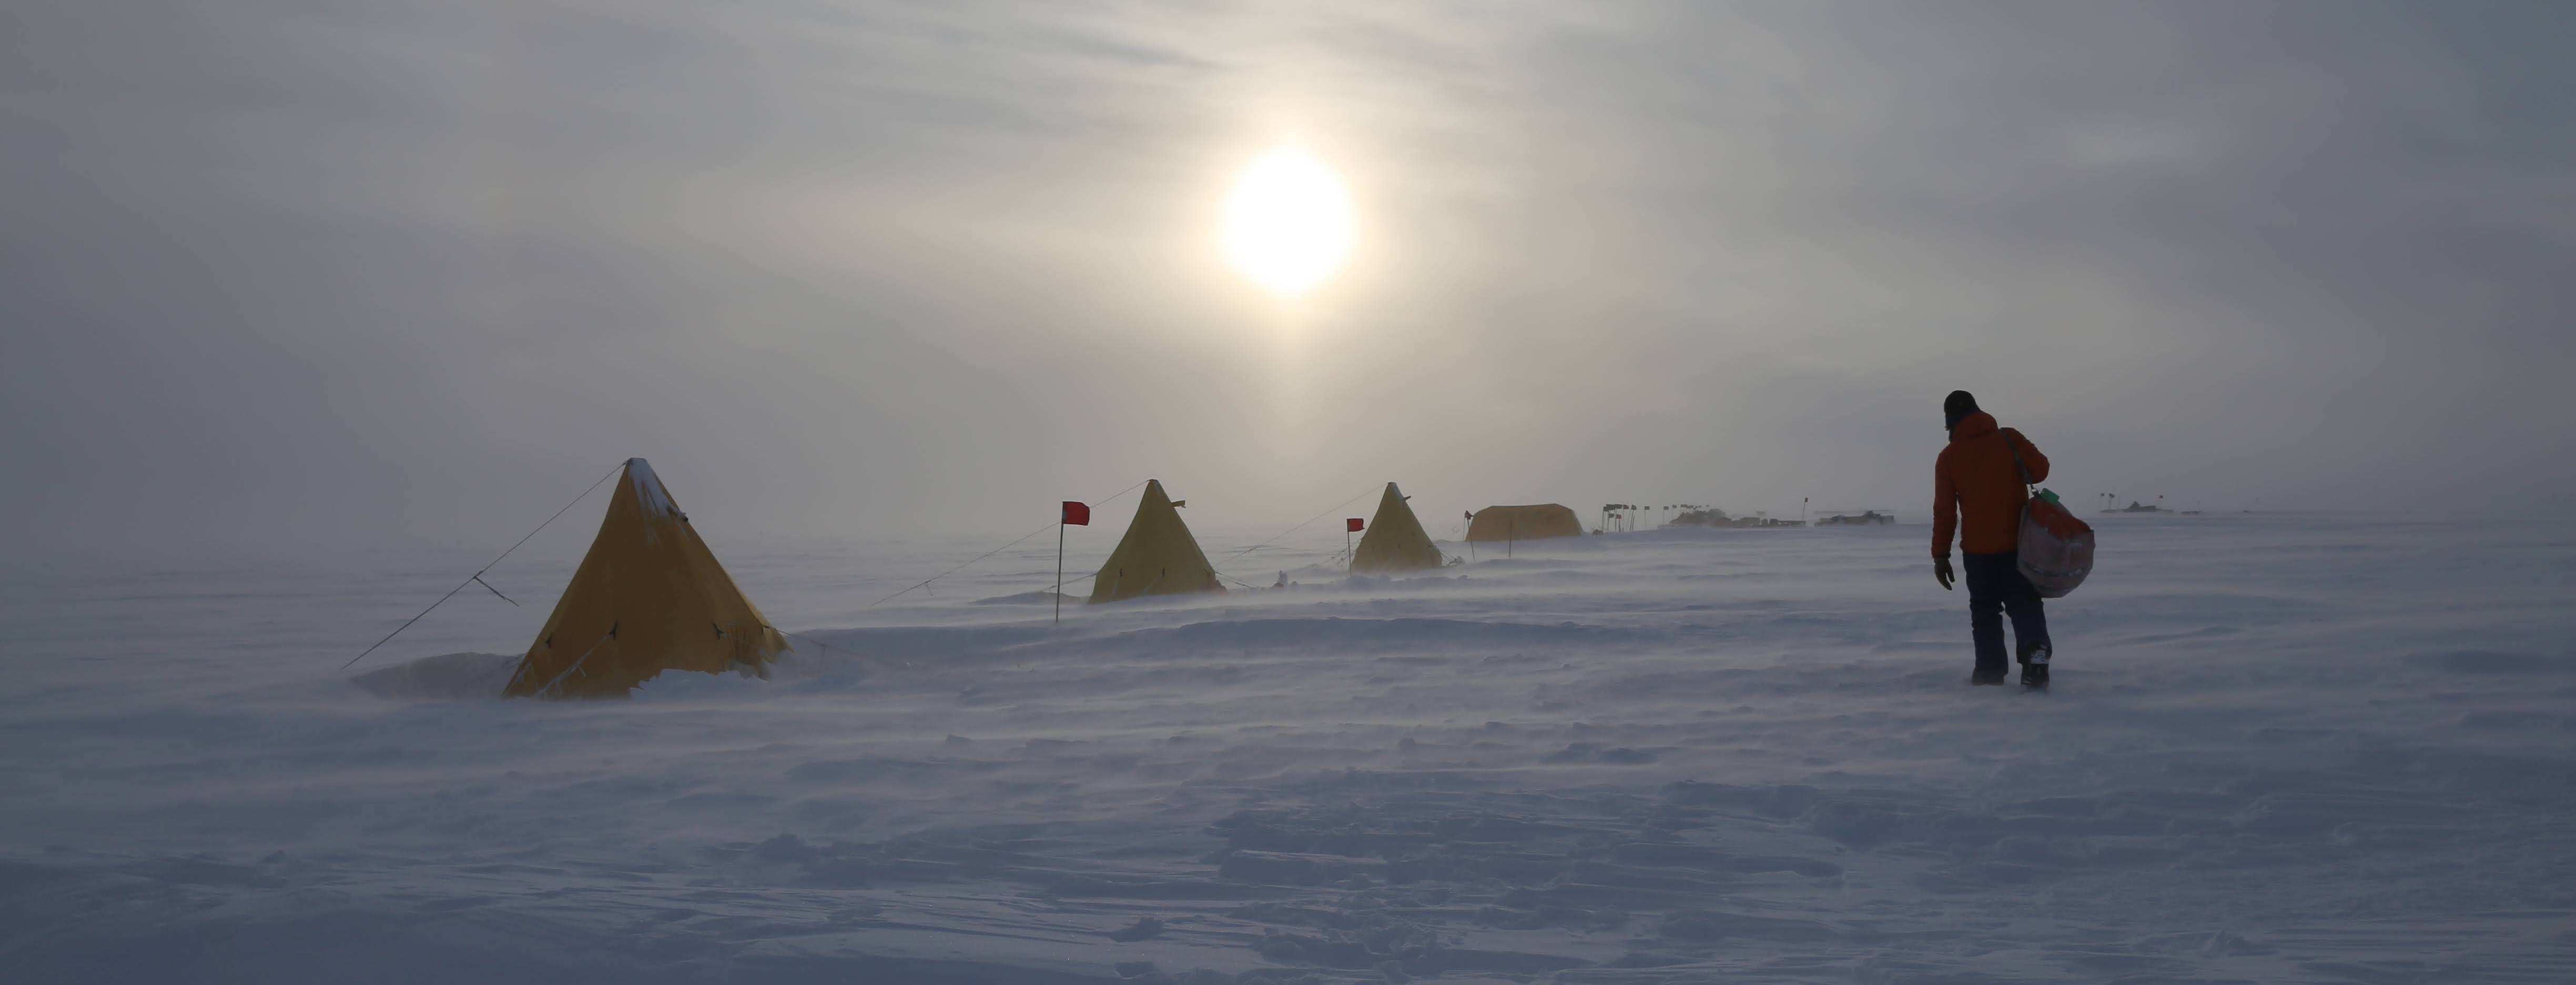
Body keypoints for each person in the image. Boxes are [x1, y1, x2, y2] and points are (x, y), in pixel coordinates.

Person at [1931, 390, 2054, 687]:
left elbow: (1945, 512)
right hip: (2019, 545)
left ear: (1950, 421)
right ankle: (2035, 654)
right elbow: (2041, 471)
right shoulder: (2009, 438)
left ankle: (1989, 672)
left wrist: (1941, 556)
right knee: (2024, 602)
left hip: (1977, 550)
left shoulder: (1949, 458)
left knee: (1985, 610)